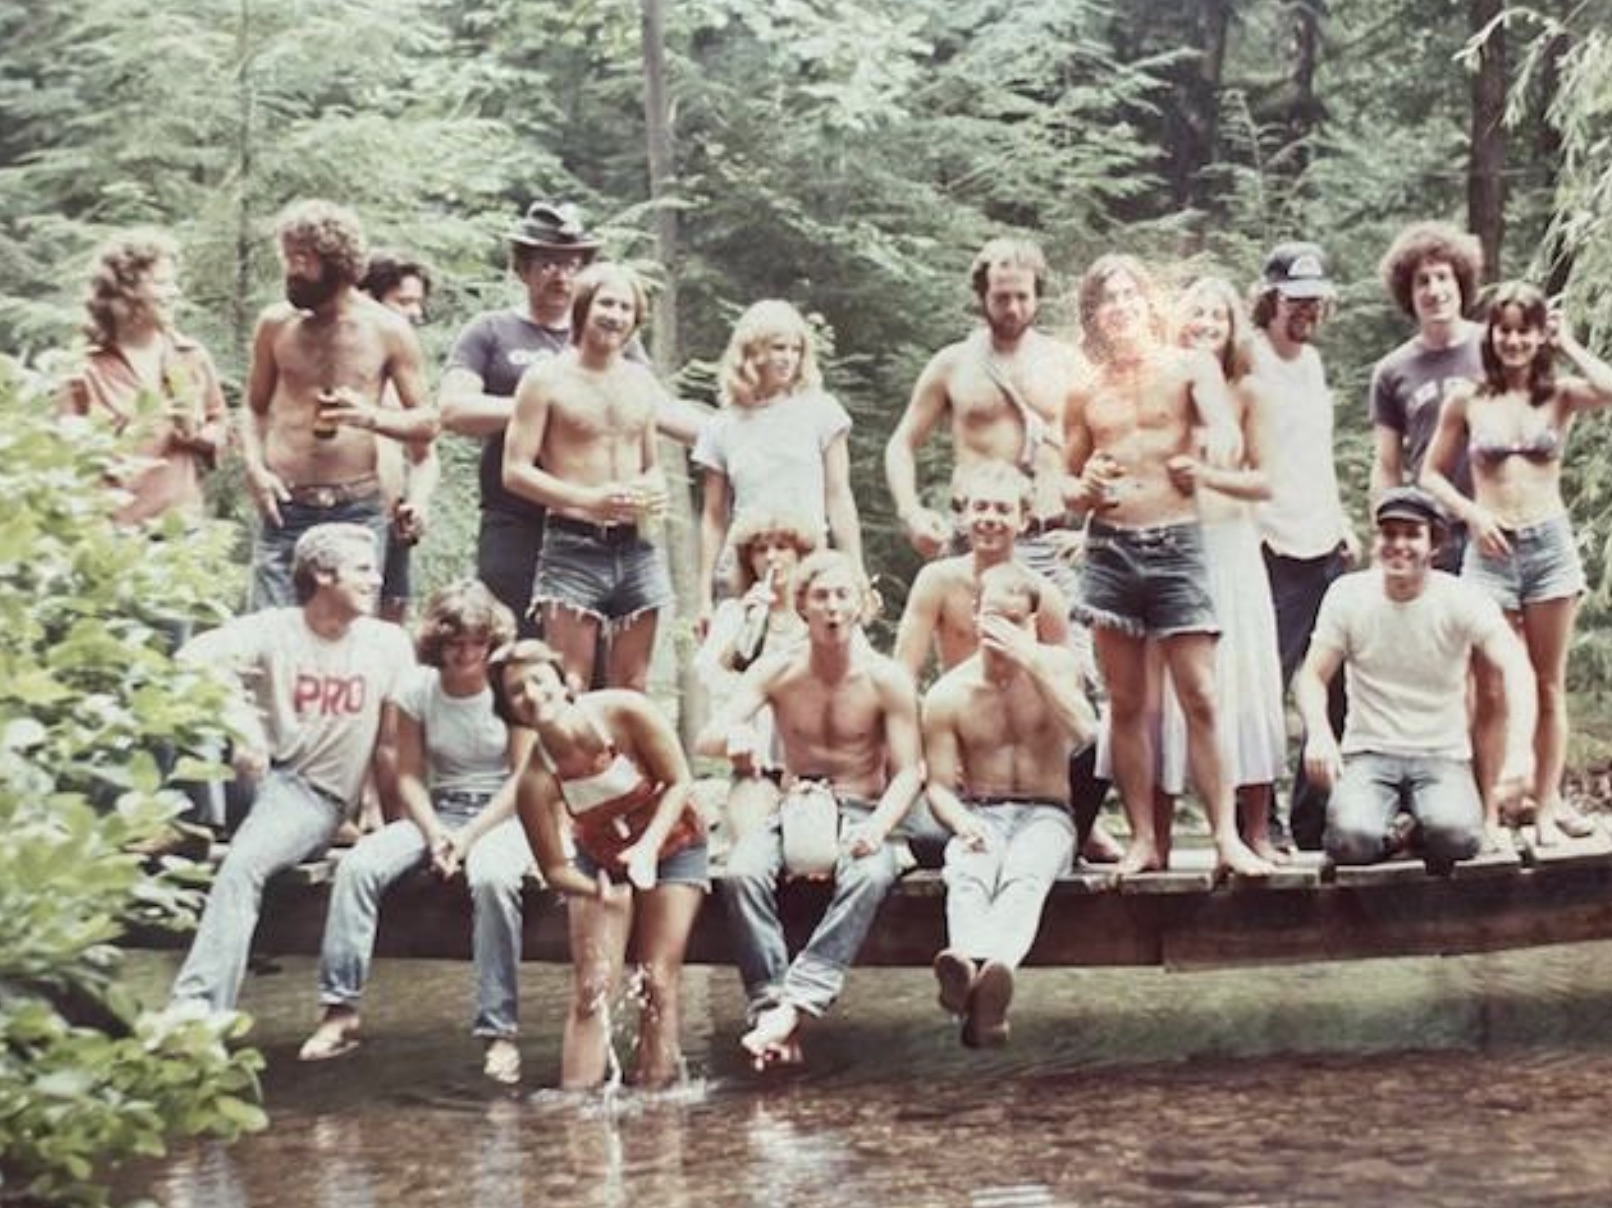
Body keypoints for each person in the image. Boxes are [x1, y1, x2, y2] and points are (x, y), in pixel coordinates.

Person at [1063, 255, 1272, 878]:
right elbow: (1063, 483)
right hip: (1111, 548)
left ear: (1148, 304)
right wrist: (1086, 485)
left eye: (1130, 294)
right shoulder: (1085, 389)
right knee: (1127, 704)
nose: (1120, 306)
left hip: (1179, 541)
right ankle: (1145, 842)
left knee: (1202, 695)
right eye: (1108, 298)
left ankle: (1226, 839)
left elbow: (1228, 434)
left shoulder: (1189, 367)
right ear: (1095, 316)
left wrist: (1212, 450)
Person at [169, 524, 416, 1011]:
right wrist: (241, 724)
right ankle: (186, 823)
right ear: (323, 574)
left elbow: (390, 748)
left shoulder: (387, 644)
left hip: (311, 795)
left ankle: (196, 1009)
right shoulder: (274, 628)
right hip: (251, 778)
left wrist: (392, 832)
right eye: (363, 570)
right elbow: (189, 657)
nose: (376, 581)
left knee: (242, 866)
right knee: (182, 703)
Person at [297, 581, 534, 1084]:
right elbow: (407, 775)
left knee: (492, 881)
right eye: (456, 643)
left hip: (502, 816)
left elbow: (522, 780)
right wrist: (434, 835)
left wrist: (467, 838)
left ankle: (500, 1031)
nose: (467, 653)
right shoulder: (416, 688)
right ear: (438, 642)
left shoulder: (510, 685)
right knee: (358, 866)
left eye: (478, 642)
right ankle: (340, 1010)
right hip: (438, 809)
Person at [695, 550, 923, 1069]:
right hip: (796, 806)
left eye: (844, 595)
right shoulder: (779, 671)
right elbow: (707, 735)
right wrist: (735, 739)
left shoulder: (886, 679)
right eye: (821, 596)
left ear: (863, 605)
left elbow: (911, 771)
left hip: (865, 808)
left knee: (870, 874)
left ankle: (801, 998)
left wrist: (880, 829)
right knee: (740, 872)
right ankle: (772, 1005)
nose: (833, 608)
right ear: (802, 606)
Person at [440, 201, 704, 637]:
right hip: (516, 522)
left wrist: (734, 437)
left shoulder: (611, 336)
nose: (561, 275)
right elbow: (454, 409)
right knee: (511, 645)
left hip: (597, 533)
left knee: (595, 665)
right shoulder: (490, 331)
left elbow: (658, 408)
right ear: (522, 269)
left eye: (572, 264)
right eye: (547, 263)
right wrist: (545, 408)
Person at [1420, 282, 1612, 843]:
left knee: (1549, 685)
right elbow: (1430, 473)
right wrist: (1471, 516)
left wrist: (1569, 342)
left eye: (1524, 330)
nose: (1513, 341)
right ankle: (1487, 814)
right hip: (1489, 551)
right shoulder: (1467, 398)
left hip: (1549, 549)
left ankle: (1547, 807)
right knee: (1491, 689)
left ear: (1537, 335)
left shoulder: (1561, 395)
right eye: (1504, 329)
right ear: (1491, 334)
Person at [490, 640, 707, 1090]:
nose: (531, 694)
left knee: (658, 981)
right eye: (516, 691)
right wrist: (597, 892)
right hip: (601, 863)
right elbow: (554, 870)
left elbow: (679, 779)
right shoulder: (535, 780)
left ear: (563, 683)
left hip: (675, 844)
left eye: (538, 680)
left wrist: (647, 849)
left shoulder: (625, 711)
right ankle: (577, 1107)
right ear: (509, 709)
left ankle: (656, 1098)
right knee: (591, 989)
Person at [1296, 488, 1535, 867]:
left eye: (1411, 534)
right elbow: (1312, 675)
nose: (1399, 545)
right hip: (1369, 753)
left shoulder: (1460, 598)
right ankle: (1392, 834)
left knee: (1458, 838)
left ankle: (1416, 828)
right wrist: (1320, 735)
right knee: (1350, 842)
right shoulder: (1347, 595)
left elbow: (1516, 667)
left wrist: (1521, 752)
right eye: (1389, 534)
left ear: (1434, 544)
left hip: (1442, 755)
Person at [1368, 223, 1507, 841]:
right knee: (1441, 675)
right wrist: (1385, 533)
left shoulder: (1492, 348)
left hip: (1497, 530)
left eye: (1443, 277)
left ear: (1462, 281)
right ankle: (1440, 806)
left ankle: (1497, 799)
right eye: (1421, 281)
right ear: (1409, 291)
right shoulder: (1394, 370)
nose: (1434, 290)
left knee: (1496, 674)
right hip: (1429, 540)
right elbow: (1386, 462)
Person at [925, 563, 1097, 1047]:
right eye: (994, 617)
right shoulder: (947, 694)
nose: (1002, 630)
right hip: (980, 809)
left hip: (1049, 811)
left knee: (1026, 870)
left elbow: (1087, 732)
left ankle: (981, 972)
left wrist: (1034, 662)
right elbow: (938, 786)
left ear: (1033, 622)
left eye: (1016, 621)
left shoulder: (1058, 666)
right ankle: (973, 974)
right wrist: (961, 822)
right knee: (968, 869)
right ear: (976, 615)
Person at [240, 199, 436, 611]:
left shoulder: (388, 330)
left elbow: (427, 424)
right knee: (271, 637)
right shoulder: (275, 325)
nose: (291, 271)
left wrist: (370, 417)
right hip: (285, 508)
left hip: (356, 509)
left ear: (336, 262)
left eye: (303, 260)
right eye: (288, 257)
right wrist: (256, 470)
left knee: (347, 632)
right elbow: (253, 408)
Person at [1154, 276, 1287, 862]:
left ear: (1233, 327)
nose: (1205, 324)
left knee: (1243, 684)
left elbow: (1265, 481)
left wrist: (1206, 476)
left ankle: (1254, 830)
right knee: (1165, 690)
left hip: (1232, 548)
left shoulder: (1250, 391)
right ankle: (1156, 836)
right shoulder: (1160, 385)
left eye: (1216, 316)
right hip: (1171, 548)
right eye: (1194, 314)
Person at [501, 263, 673, 692]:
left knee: (633, 684)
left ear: (636, 320)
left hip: (638, 547)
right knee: (570, 684)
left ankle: (624, 762)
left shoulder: (640, 381)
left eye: (626, 308)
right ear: (583, 307)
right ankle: (571, 761)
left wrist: (655, 489)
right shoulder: (545, 379)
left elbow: (652, 464)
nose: (615, 315)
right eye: (607, 303)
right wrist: (587, 500)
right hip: (571, 544)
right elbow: (515, 470)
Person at [885, 238, 1086, 583]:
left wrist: (1090, 532)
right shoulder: (953, 364)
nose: (1012, 309)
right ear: (982, 297)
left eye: (1023, 297)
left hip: (1048, 540)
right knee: (967, 636)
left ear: (1038, 295)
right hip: (973, 538)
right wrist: (912, 513)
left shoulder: (1066, 364)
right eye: (1001, 298)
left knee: (1059, 638)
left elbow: (1108, 448)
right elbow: (901, 444)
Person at [1251, 241, 1359, 849]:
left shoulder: (1311, 365)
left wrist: (1341, 517)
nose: (1306, 312)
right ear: (1271, 298)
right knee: (1268, 685)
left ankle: (1312, 822)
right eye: (1295, 301)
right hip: (1272, 547)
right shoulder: (1250, 362)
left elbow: (1313, 454)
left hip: (1324, 546)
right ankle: (1258, 818)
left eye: (1316, 301)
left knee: (1333, 680)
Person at [694, 300, 862, 633]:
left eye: (795, 349)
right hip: (747, 568)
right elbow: (714, 517)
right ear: (752, 352)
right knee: (746, 665)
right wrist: (704, 597)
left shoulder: (821, 411)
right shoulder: (722, 426)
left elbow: (839, 496)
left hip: (809, 563)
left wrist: (853, 568)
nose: (788, 357)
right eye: (777, 348)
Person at [61, 230, 228, 527]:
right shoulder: (83, 368)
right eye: (163, 283)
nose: (175, 292)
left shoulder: (190, 356)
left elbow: (220, 423)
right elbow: (64, 459)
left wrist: (198, 435)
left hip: (183, 531)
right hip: (115, 538)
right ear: (124, 292)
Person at [692, 511, 816, 846]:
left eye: (782, 547)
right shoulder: (735, 613)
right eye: (761, 550)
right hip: (757, 763)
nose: (772, 557)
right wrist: (746, 623)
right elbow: (718, 681)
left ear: (801, 555)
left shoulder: (818, 612)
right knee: (752, 846)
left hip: (813, 765)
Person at [893, 460, 1072, 679]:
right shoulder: (937, 581)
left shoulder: (1043, 594)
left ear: (1023, 521)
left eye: (1003, 510)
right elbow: (903, 669)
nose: (989, 518)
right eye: (980, 507)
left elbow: (1067, 677)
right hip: (956, 706)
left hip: (1020, 708)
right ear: (964, 515)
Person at [356, 251, 441, 623]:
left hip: (393, 525)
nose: (414, 313)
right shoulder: (343, 367)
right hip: (344, 519)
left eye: (418, 304)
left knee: (387, 636)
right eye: (403, 301)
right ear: (368, 299)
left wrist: (419, 502)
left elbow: (425, 455)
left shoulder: (405, 380)